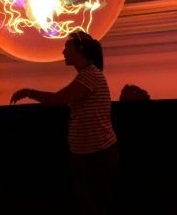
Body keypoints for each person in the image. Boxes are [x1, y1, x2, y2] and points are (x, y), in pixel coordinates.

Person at [10, 31, 119, 215]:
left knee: (95, 205)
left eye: (67, 48)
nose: (63, 52)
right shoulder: (88, 75)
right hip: (89, 155)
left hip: (96, 156)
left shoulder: (90, 75)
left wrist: (29, 92)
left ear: (80, 50)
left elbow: (58, 99)